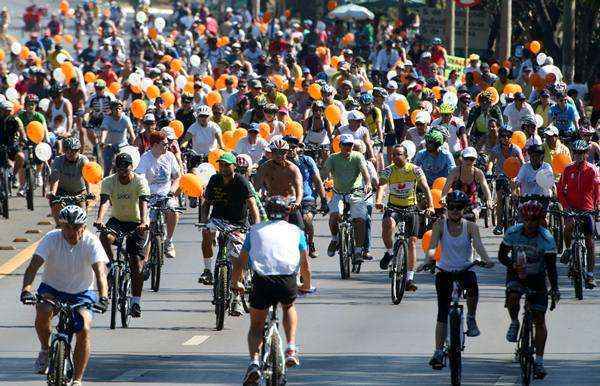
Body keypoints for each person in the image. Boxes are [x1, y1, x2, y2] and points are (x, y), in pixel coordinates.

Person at [20, 206, 108, 385]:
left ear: (83, 227)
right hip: (53, 288)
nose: (71, 232)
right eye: (66, 227)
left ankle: (77, 379)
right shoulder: (51, 238)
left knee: (83, 328)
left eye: (76, 227)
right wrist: (26, 290)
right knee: (43, 309)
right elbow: (33, 267)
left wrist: (104, 297)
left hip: (82, 292)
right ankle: (45, 349)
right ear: (60, 226)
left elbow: (100, 272)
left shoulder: (91, 242)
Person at [232, 196, 312, 384]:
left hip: (262, 280)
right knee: (288, 306)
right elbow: (305, 264)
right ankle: (291, 347)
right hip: (287, 279)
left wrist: (236, 283)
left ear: (267, 212)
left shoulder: (254, 230)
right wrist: (306, 285)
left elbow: (241, 262)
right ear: (287, 213)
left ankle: (254, 363)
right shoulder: (296, 231)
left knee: (256, 326)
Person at [423, 191, 494, 369]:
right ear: (446, 208)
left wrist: (487, 259)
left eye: (459, 207)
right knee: (442, 312)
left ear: (464, 209)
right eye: (451, 207)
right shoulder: (439, 225)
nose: (455, 211)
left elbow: (478, 245)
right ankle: (438, 352)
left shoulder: (471, 227)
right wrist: (428, 261)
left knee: (472, 285)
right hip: (444, 271)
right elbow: (432, 247)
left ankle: (471, 317)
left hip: (465, 268)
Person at [498, 200, 560, 379]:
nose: (530, 224)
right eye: (526, 220)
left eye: (534, 220)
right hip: (516, 274)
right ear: (522, 219)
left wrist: (554, 289)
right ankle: (514, 321)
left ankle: (539, 362)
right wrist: (513, 265)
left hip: (537, 278)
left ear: (540, 220)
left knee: (539, 319)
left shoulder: (546, 238)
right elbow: (502, 256)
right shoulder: (513, 233)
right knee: (513, 297)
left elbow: (551, 267)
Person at [94, 152, 150, 318]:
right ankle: (111, 265)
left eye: (126, 166)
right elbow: (104, 202)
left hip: (136, 222)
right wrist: (99, 219)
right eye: (120, 167)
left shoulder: (140, 181)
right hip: (117, 220)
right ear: (116, 168)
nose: (124, 170)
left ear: (132, 167)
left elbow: (144, 203)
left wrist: (144, 222)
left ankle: (135, 302)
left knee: (136, 266)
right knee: (105, 236)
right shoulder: (108, 181)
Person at [377, 144, 435, 290]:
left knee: (412, 243)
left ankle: (409, 279)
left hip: (411, 208)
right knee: (388, 224)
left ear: (406, 156)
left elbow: (425, 187)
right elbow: (382, 185)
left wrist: (431, 206)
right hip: (393, 207)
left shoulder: (415, 170)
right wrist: (378, 200)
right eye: (394, 155)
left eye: (399, 154)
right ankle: (390, 252)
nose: (396, 157)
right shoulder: (389, 170)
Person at [199, 152, 260, 287]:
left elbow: (252, 205)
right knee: (207, 232)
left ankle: (239, 287)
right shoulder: (214, 179)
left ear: (234, 167)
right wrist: (204, 221)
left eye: (227, 165)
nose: (223, 168)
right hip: (218, 220)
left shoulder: (242, 182)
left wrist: (256, 226)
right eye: (221, 165)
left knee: (238, 254)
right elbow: (206, 203)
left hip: (238, 223)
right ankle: (208, 270)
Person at [557, 140, 600, 288]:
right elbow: (560, 190)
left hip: (588, 209)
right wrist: (565, 206)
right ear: (573, 154)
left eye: (581, 153)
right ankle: (568, 250)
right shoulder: (568, 169)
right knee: (568, 226)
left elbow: (598, 190)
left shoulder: (593, 170)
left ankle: (589, 276)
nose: (579, 156)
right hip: (572, 208)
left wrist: (597, 206)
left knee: (590, 243)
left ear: (586, 154)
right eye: (576, 153)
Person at [323, 134, 371, 263]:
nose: (348, 147)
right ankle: (335, 239)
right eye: (345, 145)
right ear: (340, 146)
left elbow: (365, 173)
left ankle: (358, 250)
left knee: (360, 220)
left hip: (355, 193)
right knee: (334, 215)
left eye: (350, 145)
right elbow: (324, 173)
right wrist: (324, 182)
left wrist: (367, 183)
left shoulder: (358, 156)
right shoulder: (333, 158)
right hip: (338, 192)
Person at [135, 131, 181, 258]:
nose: (167, 146)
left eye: (167, 143)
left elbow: (177, 177)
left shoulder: (170, 156)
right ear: (154, 145)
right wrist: (145, 194)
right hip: (149, 196)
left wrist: (172, 191)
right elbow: (140, 177)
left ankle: (169, 241)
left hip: (166, 194)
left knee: (173, 211)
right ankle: (144, 254)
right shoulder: (145, 158)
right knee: (147, 223)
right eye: (164, 144)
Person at [284, 136, 329, 258]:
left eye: (293, 147)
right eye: (288, 148)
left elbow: (318, 181)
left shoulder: (307, 161)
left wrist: (324, 200)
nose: (290, 150)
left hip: (307, 198)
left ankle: (311, 243)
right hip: (287, 199)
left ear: (298, 148)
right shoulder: (280, 162)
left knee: (306, 219)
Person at [256, 138, 304, 228]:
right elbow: (256, 187)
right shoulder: (264, 167)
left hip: (289, 203)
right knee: (259, 227)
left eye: (282, 152)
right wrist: (255, 200)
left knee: (300, 229)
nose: (279, 155)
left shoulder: (292, 168)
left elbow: (299, 188)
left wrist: (297, 203)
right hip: (271, 203)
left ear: (286, 153)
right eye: (275, 152)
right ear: (271, 152)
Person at [47, 137, 92, 225]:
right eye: (67, 151)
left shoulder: (83, 161)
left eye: (73, 151)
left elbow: (87, 178)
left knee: (82, 217)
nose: (70, 153)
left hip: (79, 192)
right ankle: (59, 226)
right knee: (56, 203)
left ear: (78, 151)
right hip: (62, 191)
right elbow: (55, 179)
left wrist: (89, 193)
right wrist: (52, 192)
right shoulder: (58, 160)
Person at [441, 147, 493, 222]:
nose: (468, 161)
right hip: (456, 204)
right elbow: (447, 185)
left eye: (471, 159)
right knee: (448, 219)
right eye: (466, 158)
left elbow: (485, 187)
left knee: (473, 217)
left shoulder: (478, 173)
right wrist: (443, 196)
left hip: (472, 204)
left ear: (475, 161)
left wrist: (489, 200)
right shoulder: (455, 171)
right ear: (462, 159)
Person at [489, 125, 524, 235]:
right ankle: (499, 225)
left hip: (514, 174)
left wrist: (522, 173)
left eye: (508, 136)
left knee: (517, 195)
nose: (505, 138)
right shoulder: (496, 149)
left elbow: (522, 162)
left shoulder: (515, 149)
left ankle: (520, 218)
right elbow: (490, 161)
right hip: (501, 175)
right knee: (499, 198)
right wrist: (489, 170)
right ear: (500, 138)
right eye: (503, 136)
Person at [99, 100, 136, 177]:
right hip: (110, 145)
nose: (117, 110)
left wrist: (134, 145)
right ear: (111, 110)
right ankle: (106, 184)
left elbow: (132, 134)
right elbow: (104, 131)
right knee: (107, 167)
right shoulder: (107, 119)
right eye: (115, 109)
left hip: (123, 145)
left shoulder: (125, 119)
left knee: (125, 166)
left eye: (119, 108)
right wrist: (102, 141)